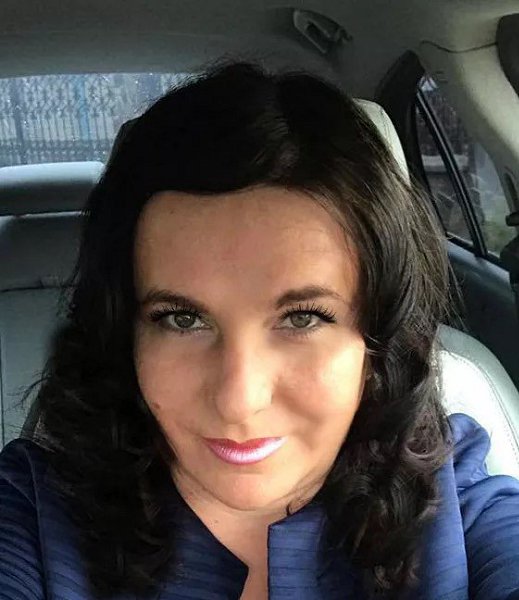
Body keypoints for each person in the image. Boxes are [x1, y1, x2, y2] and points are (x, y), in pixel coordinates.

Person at [1, 61, 519, 600]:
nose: (238, 401)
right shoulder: (36, 512)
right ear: (125, 333)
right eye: (182, 319)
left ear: (375, 336)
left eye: (303, 318)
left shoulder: (453, 493)